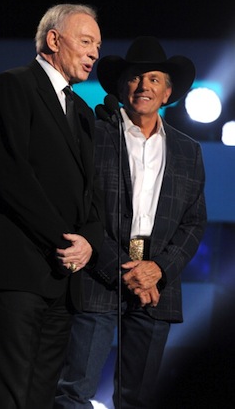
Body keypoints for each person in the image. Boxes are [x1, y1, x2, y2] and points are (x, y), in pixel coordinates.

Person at [0, 3, 104, 409]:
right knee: (7, 396)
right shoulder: (13, 86)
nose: (94, 53)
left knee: (40, 398)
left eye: (98, 45)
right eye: (86, 41)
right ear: (54, 40)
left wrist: (88, 243)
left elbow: (90, 193)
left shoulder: (84, 113)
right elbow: (10, 175)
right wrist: (66, 241)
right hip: (14, 270)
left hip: (61, 278)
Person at [55, 36, 207, 408]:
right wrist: (125, 269)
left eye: (154, 79)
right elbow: (78, 209)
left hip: (157, 286)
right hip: (99, 275)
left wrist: (157, 269)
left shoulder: (188, 149)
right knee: (74, 391)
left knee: (138, 397)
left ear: (168, 92)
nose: (144, 87)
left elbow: (194, 223)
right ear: (122, 87)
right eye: (136, 78)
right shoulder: (93, 134)